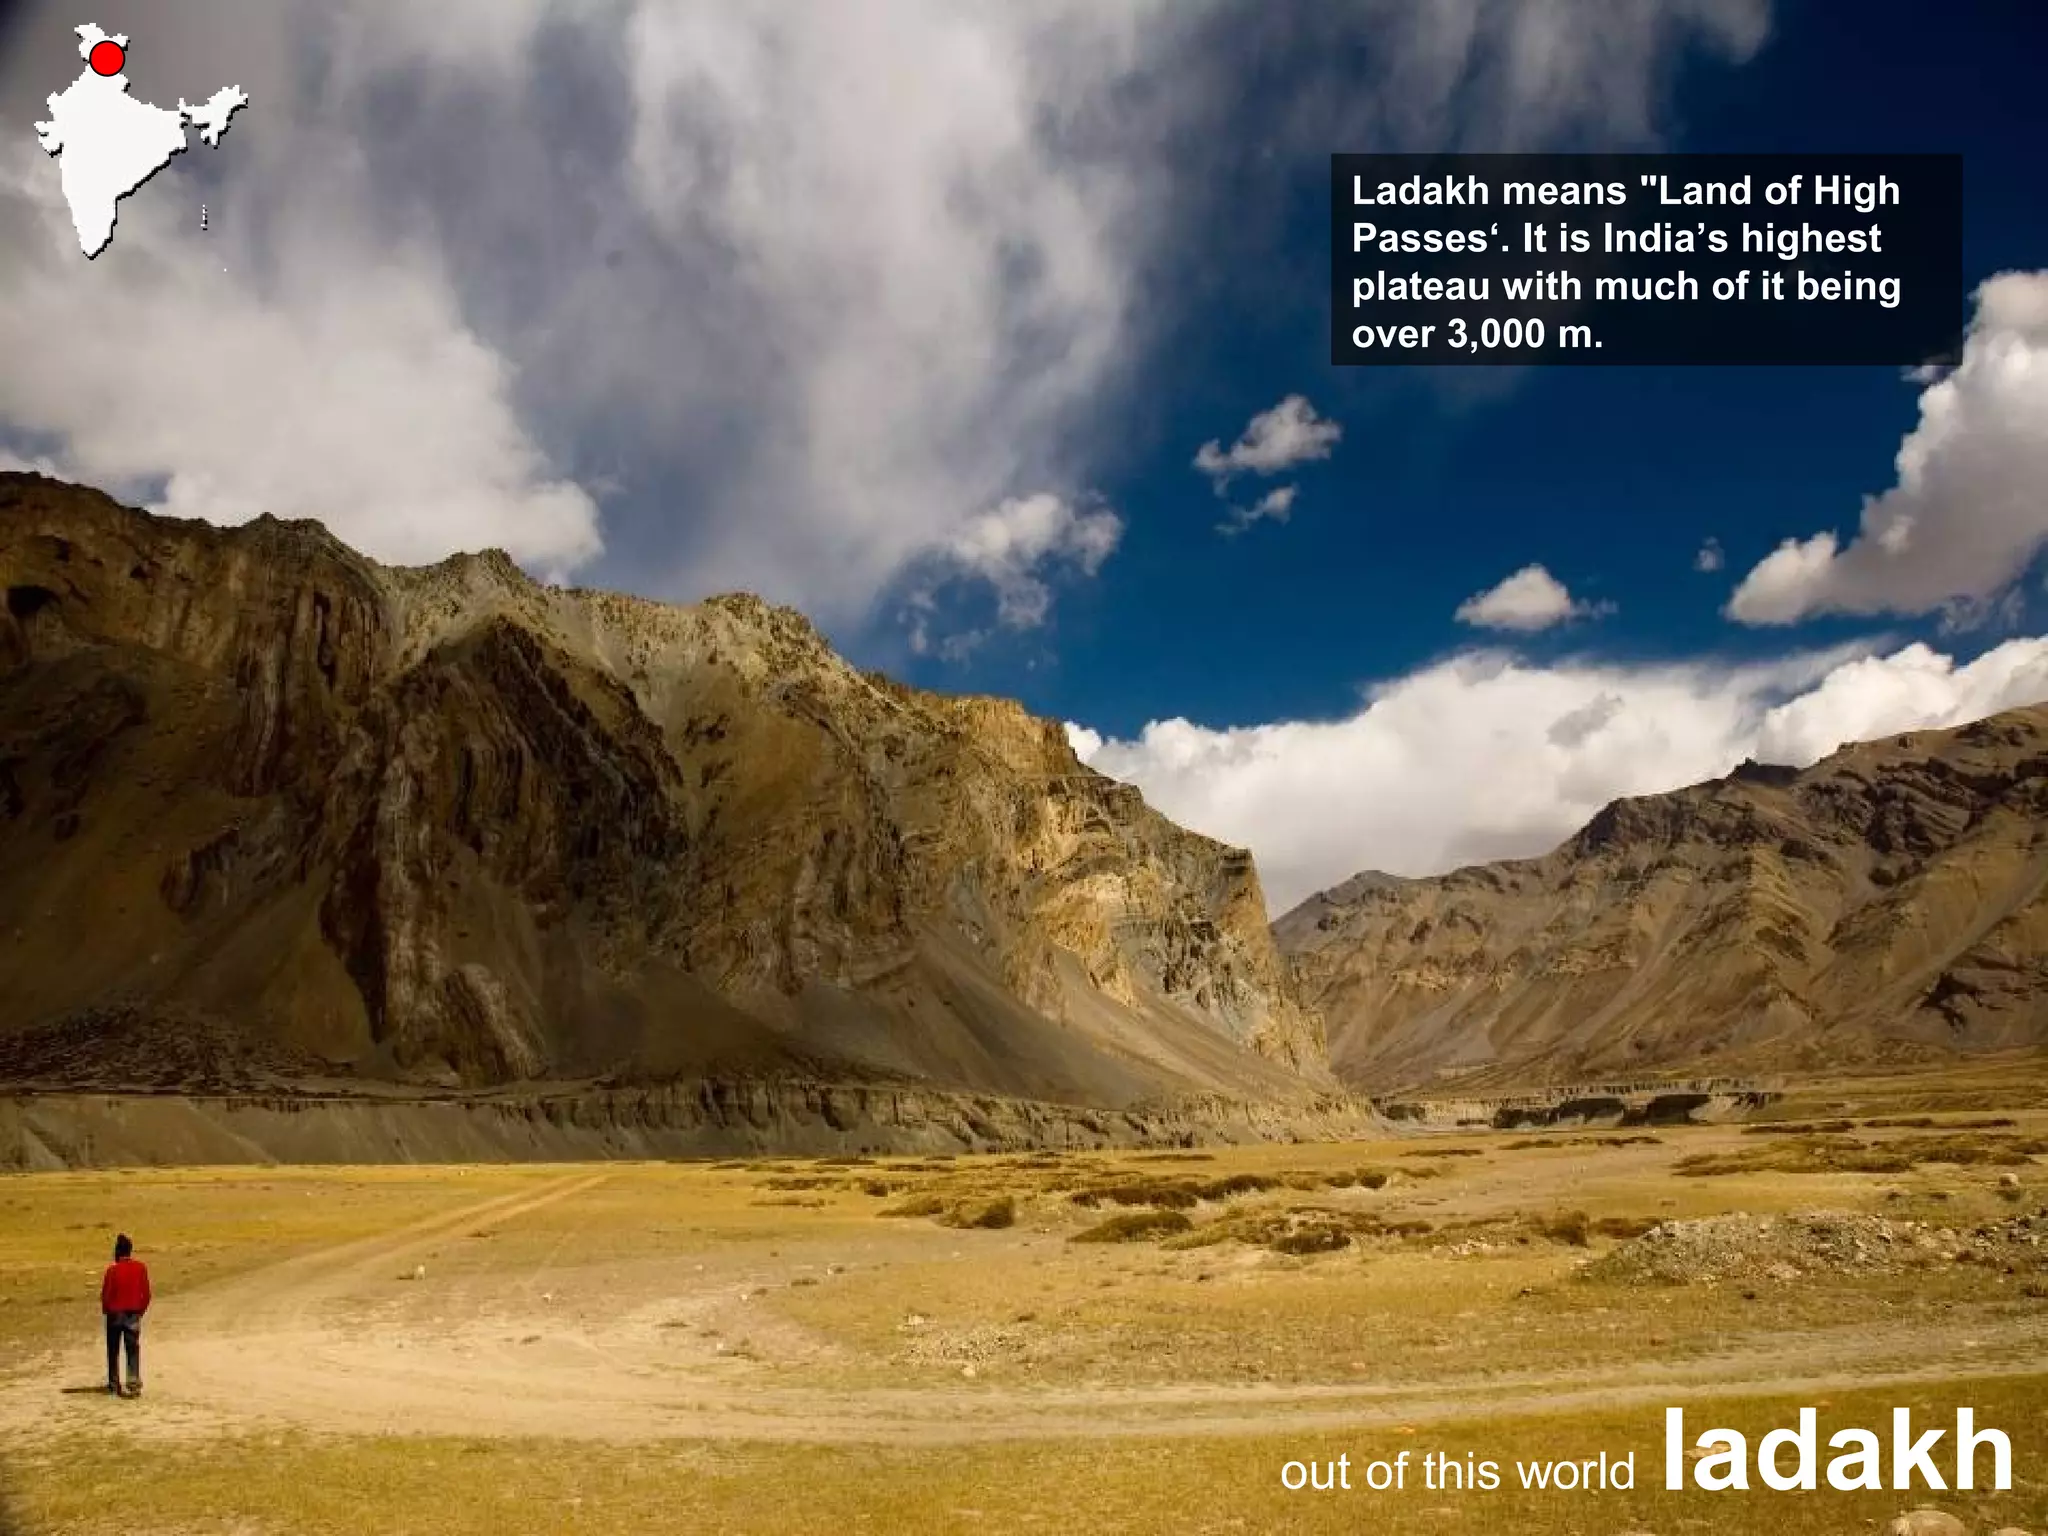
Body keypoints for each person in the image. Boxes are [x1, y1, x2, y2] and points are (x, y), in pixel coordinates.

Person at [100, 1233, 151, 1398]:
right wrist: (140, 1312)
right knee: (132, 1349)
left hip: (115, 1315)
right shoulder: (140, 1268)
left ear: (117, 1251)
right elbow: (147, 1294)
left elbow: (106, 1295)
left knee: (113, 1350)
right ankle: (133, 1383)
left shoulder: (112, 1270)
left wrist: (107, 1310)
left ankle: (114, 1384)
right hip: (133, 1314)